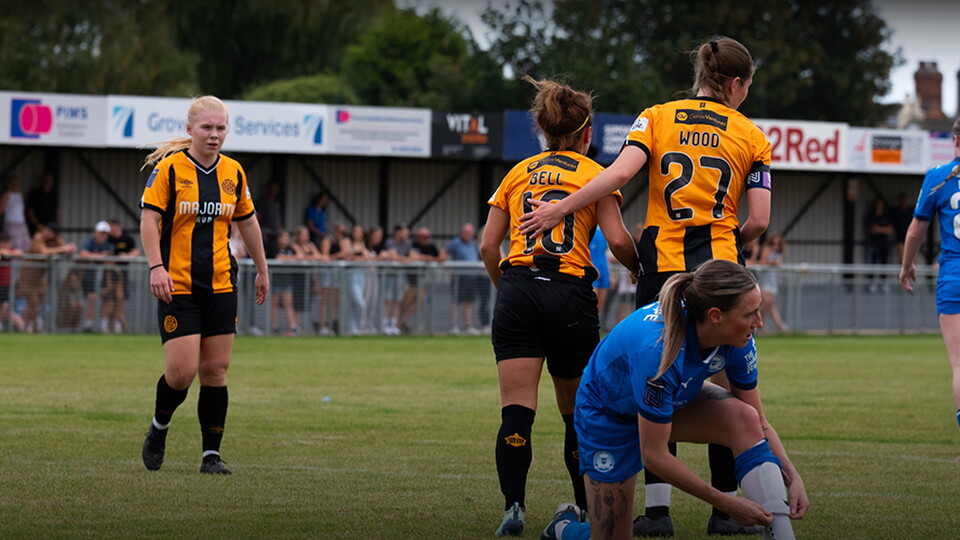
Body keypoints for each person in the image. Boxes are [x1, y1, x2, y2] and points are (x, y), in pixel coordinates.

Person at [519, 36, 771, 536]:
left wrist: (559, 208)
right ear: (736, 84)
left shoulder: (655, 117)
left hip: (662, 271)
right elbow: (760, 220)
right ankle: (725, 511)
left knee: (656, 379)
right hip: (720, 270)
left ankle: (657, 512)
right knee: (728, 388)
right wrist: (727, 243)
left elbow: (618, 174)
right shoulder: (752, 134)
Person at [539, 260, 808, 540]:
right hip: (607, 415)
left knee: (746, 418)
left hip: (668, 399)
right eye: (750, 314)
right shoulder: (657, 351)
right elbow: (654, 455)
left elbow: (760, 422)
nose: (760, 322)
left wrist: (792, 476)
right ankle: (563, 528)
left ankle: (780, 532)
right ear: (716, 316)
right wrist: (725, 503)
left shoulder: (739, 339)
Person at [479, 75, 640, 537]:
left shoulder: (517, 173)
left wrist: (506, 288)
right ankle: (586, 510)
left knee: (516, 409)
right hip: (569, 294)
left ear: (543, 130)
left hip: (519, 289)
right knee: (577, 411)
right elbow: (617, 240)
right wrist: (637, 268)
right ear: (587, 133)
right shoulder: (594, 175)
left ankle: (513, 508)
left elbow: (489, 246)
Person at [138, 95, 269, 476]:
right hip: (177, 286)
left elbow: (248, 222)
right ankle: (159, 427)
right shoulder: (169, 169)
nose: (214, 134)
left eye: (220, 128)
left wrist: (263, 269)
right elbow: (149, 222)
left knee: (215, 371)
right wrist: (156, 267)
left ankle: (211, 455)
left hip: (222, 285)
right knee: (182, 373)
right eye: (207, 127)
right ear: (190, 129)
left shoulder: (234, 172)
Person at [900, 116, 960, 443]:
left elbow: (915, 231)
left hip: (954, 275)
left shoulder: (939, 176)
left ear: (955, 140)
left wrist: (906, 265)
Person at [18, 222, 76, 332]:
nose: (47, 233)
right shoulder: (38, 237)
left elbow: (67, 251)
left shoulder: (56, 240)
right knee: (33, 301)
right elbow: (43, 251)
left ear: (55, 234)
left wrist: (70, 249)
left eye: (50, 232)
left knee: (36, 302)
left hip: (40, 278)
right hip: (27, 277)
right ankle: (36, 328)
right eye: (47, 230)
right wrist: (63, 249)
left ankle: (25, 326)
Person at [400, 226, 446, 333]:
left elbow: (440, 258)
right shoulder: (412, 245)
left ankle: (403, 319)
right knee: (406, 302)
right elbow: (413, 257)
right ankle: (401, 321)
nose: (427, 239)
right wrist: (430, 259)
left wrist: (428, 257)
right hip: (409, 280)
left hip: (421, 280)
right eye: (424, 237)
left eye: (428, 237)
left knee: (421, 301)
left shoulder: (431, 246)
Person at [78, 221, 117, 333]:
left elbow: (110, 260)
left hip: (105, 277)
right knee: (92, 299)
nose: (103, 236)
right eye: (101, 233)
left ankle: (103, 326)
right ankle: (89, 325)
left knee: (107, 299)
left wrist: (97, 257)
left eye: (105, 234)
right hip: (91, 276)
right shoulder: (90, 242)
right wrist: (100, 256)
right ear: (96, 232)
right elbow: (83, 254)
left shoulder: (109, 245)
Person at [446, 222, 484, 335]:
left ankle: (468, 326)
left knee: (469, 302)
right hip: (459, 277)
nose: (467, 234)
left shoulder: (474, 243)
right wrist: (449, 268)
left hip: (472, 276)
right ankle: (453, 326)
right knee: (456, 301)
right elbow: (444, 253)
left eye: (469, 232)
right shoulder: (456, 242)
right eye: (465, 232)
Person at [380, 223, 414, 335]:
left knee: (397, 301)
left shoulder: (408, 243)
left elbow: (412, 257)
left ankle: (394, 325)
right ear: (398, 233)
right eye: (404, 232)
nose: (407, 235)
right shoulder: (390, 242)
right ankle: (385, 324)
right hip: (389, 275)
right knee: (388, 300)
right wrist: (404, 259)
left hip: (400, 275)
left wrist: (401, 259)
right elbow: (393, 256)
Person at [107, 219, 139, 333]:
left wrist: (126, 255)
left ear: (116, 226)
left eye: (111, 227)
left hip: (123, 274)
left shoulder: (127, 238)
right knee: (110, 300)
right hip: (110, 274)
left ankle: (118, 325)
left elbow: (135, 253)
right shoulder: (108, 239)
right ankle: (108, 326)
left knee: (120, 298)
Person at [755, 235, 788, 332]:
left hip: (773, 280)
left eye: (778, 244)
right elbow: (762, 262)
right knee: (766, 303)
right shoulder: (767, 249)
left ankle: (775, 325)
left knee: (771, 304)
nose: (775, 246)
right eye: (773, 243)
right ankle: (761, 323)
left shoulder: (779, 253)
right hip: (765, 280)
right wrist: (773, 263)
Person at [271, 229, 300, 336]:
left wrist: (289, 257)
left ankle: (293, 326)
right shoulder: (274, 248)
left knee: (288, 303)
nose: (286, 240)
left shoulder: (290, 248)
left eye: (287, 238)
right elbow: (278, 258)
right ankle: (274, 326)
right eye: (283, 238)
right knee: (274, 303)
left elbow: (300, 256)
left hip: (287, 279)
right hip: (276, 279)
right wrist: (291, 258)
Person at [865, 196, 894, 293]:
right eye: (878, 205)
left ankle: (884, 282)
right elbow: (873, 229)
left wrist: (880, 229)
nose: (879, 206)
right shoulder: (871, 216)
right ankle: (872, 283)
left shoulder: (886, 216)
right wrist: (883, 229)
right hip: (874, 243)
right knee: (873, 262)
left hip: (884, 243)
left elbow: (890, 230)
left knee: (884, 263)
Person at [0, 232, 25, 332]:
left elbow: (20, 253)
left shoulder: (9, 251)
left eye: (7, 242)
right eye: (2, 242)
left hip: (5, 284)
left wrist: (7, 253)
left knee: (5, 306)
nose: (4, 244)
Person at [1, 174, 31, 251]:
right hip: (11, 223)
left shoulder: (20, 195)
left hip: (21, 222)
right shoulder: (7, 195)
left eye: (17, 183)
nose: (16, 185)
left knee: (25, 243)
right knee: (15, 244)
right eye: (14, 183)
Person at [589, 229, 612, 329]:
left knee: (600, 307)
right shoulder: (589, 228)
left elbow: (605, 253)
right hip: (593, 270)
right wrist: (591, 267)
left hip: (604, 269)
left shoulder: (604, 231)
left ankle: (595, 327)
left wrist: (610, 274)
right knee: (592, 303)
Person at [25, 172, 59, 236]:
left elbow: (57, 211)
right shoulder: (35, 194)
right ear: (42, 180)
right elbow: (30, 212)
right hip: (38, 227)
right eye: (46, 180)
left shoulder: (53, 195)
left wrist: (57, 225)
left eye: (50, 180)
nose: (48, 182)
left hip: (52, 227)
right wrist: (38, 226)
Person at [257, 181, 284, 259]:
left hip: (275, 231)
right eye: (273, 188)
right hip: (266, 232)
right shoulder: (262, 202)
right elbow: (258, 217)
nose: (275, 191)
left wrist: (280, 228)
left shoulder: (276, 203)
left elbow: (279, 217)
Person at [891, 192, 913, 263]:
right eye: (902, 200)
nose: (904, 202)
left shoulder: (911, 211)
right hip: (900, 239)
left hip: (911, 239)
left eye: (905, 200)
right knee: (903, 259)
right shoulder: (896, 212)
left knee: (912, 260)